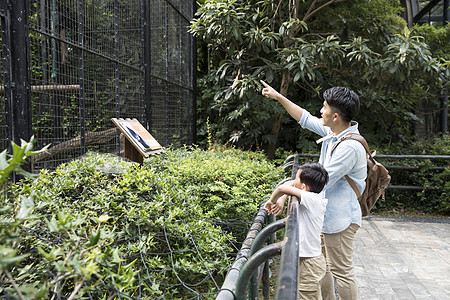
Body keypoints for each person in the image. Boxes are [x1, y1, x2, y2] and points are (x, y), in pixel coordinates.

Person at [261, 80, 366, 300]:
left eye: (325, 107)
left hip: (341, 220)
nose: (321, 111)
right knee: (323, 265)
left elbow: (318, 181)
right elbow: (304, 118)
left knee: (342, 271)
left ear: (335, 116)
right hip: (324, 216)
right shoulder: (333, 132)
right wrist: (279, 97)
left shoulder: (349, 147)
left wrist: (283, 192)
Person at [265, 162, 329, 300]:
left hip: (309, 263)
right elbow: (289, 184)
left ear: (304, 187)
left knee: (305, 296)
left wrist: (272, 201)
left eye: (297, 179)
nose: (294, 181)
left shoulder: (312, 199)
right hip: (308, 259)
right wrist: (282, 200)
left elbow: (282, 187)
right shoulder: (313, 195)